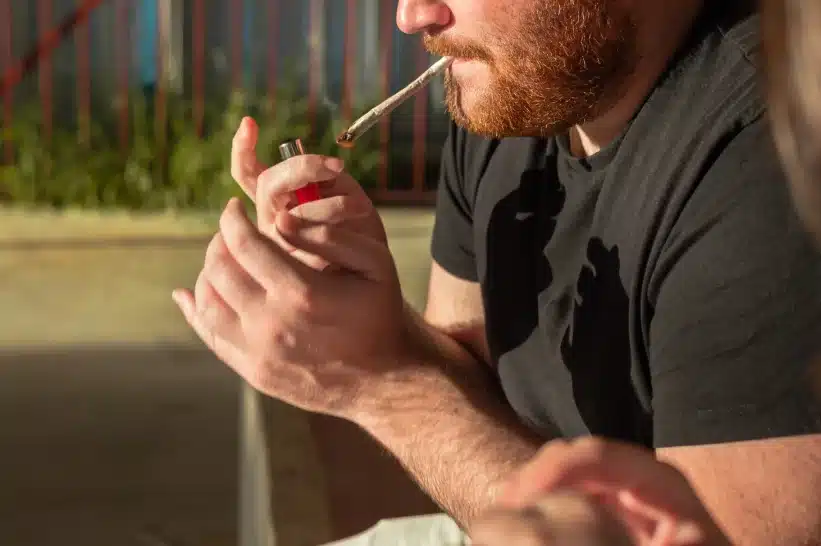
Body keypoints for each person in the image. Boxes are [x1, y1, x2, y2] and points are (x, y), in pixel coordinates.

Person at [172, 0, 821, 544]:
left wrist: (378, 383)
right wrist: (369, 325)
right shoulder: (523, 79)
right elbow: (466, 386)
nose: (412, 16)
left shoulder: (776, 159)